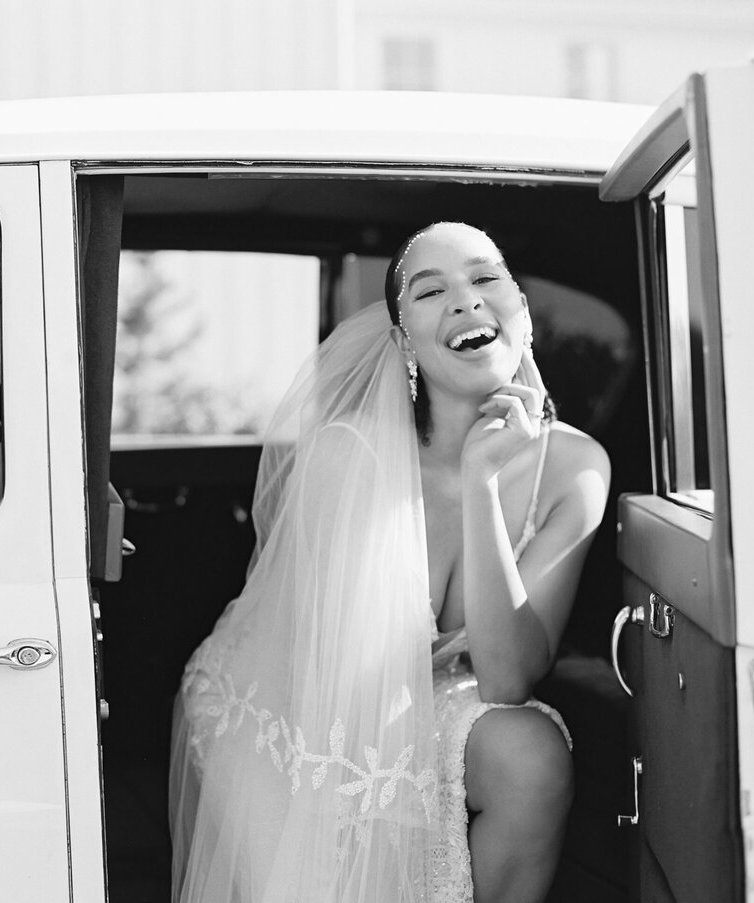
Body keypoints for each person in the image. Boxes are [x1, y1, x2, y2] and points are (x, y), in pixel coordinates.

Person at [170, 222, 611, 903]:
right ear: (404, 339)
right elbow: (333, 682)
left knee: (531, 753)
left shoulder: (576, 465)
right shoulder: (349, 456)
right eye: (432, 291)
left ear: (520, 309)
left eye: (486, 278)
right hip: (286, 699)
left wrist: (481, 482)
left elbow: (507, 675)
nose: (466, 301)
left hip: (443, 691)